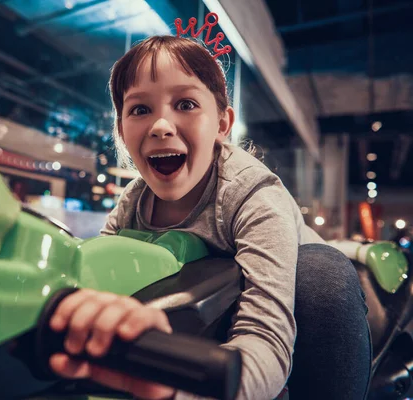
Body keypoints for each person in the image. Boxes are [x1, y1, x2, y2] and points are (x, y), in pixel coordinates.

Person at [49, 34, 371, 399]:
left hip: (310, 317)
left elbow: (266, 335)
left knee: (320, 273)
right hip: (216, 338)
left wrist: (187, 391)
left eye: (185, 103)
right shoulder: (133, 201)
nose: (160, 126)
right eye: (140, 109)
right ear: (122, 130)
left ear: (222, 123)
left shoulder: (252, 193)